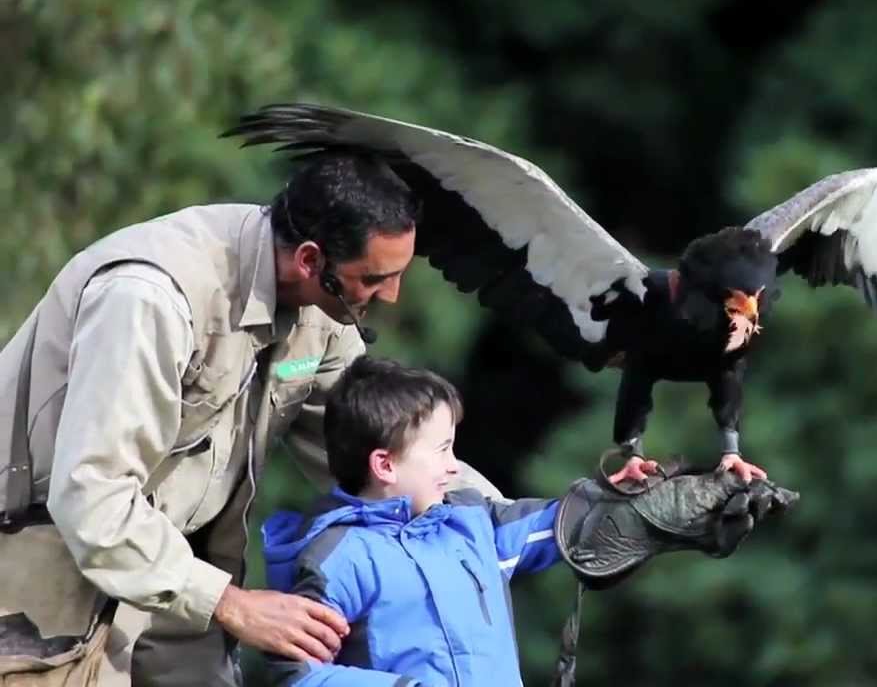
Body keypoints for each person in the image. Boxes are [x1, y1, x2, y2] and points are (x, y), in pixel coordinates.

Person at [0, 154, 503, 686]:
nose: (392, 295)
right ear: (311, 261)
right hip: (44, 569)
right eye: (375, 277)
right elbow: (91, 498)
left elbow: (391, 455)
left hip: (177, 581)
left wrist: (547, 523)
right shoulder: (150, 299)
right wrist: (234, 605)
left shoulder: (323, 313)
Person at [261, 355, 560, 686]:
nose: (454, 466)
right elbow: (299, 675)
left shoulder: (471, 522)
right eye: (443, 449)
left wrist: (618, 494)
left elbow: (564, 525)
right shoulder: (339, 558)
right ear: (385, 466)